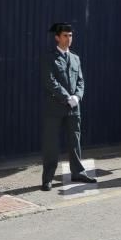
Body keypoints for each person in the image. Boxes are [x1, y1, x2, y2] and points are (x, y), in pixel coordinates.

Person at [41, 23, 94, 190]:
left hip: (74, 107)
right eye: (65, 35)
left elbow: (81, 81)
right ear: (57, 37)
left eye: (70, 36)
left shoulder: (76, 58)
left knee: (75, 141)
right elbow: (50, 81)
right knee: (51, 143)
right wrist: (66, 97)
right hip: (55, 107)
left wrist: (77, 97)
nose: (69, 39)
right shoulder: (49, 57)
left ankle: (78, 172)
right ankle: (48, 178)